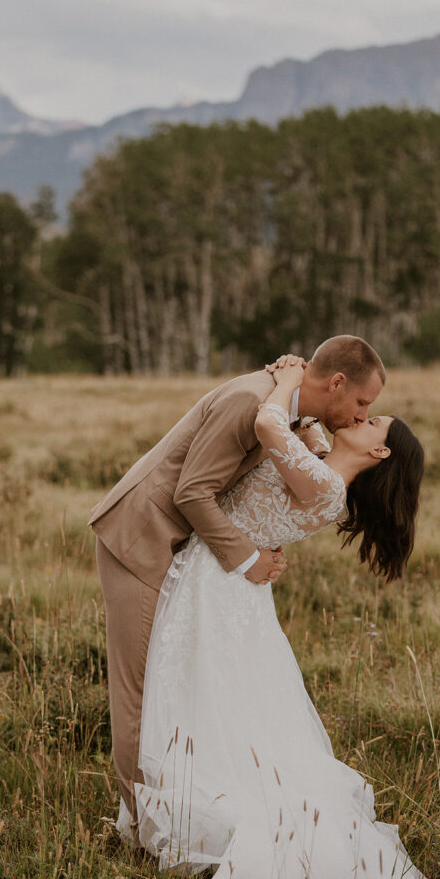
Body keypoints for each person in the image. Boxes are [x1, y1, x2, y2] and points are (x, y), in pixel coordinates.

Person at [132, 360, 440, 879]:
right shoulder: (326, 471)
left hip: (221, 583)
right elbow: (304, 435)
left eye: (376, 423)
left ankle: (229, 830)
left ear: (379, 454)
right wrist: (302, 389)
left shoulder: (326, 485)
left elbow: (270, 427)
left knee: (199, 691)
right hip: (230, 582)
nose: (366, 417)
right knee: (217, 698)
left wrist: (284, 383)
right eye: (366, 410)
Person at [89, 335, 386, 844]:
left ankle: (173, 815)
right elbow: (192, 492)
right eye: (362, 402)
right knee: (141, 694)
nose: (363, 414)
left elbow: (297, 449)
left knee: (173, 687)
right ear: (336, 382)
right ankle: (146, 832)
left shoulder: (285, 404)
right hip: (142, 540)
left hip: (190, 555)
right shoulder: (252, 401)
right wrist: (249, 559)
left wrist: (296, 385)